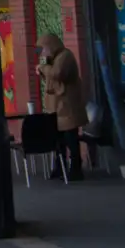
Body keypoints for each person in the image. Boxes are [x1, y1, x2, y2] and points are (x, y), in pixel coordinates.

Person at [36, 33, 87, 180]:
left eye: (44, 48)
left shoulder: (65, 56)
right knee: (59, 140)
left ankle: (76, 168)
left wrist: (43, 67)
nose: (43, 53)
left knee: (71, 138)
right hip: (57, 108)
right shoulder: (53, 59)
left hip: (68, 107)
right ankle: (60, 166)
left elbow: (57, 73)